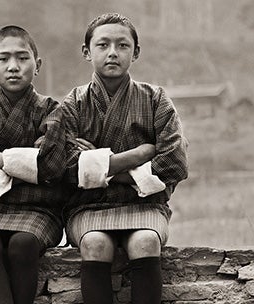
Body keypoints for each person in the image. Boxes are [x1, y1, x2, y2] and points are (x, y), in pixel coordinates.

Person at [61, 13, 189, 304]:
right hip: (88, 207)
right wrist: (137, 156)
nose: (113, 53)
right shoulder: (74, 103)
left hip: (146, 205)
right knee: (94, 244)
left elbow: (175, 161)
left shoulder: (155, 98)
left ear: (136, 52)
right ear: (87, 52)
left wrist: (96, 166)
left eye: (122, 45)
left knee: (145, 241)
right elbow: (64, 165)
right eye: (103, 45)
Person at [0, 25, 67, 304]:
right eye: (3, 59)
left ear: (37, 65)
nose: (13, 66)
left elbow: (50, 164)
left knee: (23, 244)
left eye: (23, 58)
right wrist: (26, 166)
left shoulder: (51, 109)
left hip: (41, 207)